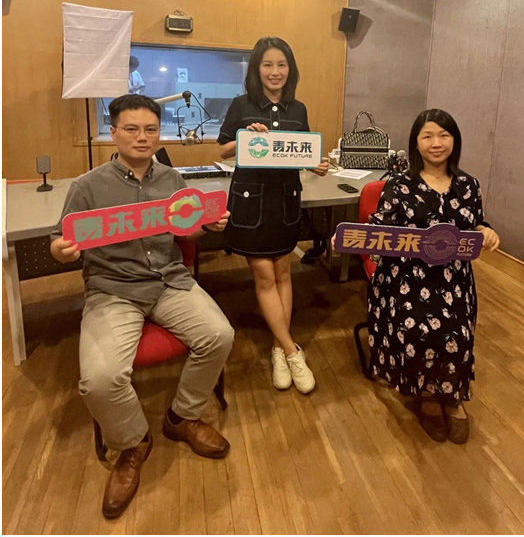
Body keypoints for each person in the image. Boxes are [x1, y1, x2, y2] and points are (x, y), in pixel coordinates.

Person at [50, 94, 234, 519]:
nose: (142, 137)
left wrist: (206, 226)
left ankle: (182, 417)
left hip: (168, 280)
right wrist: (62, 251)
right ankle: (132, 443)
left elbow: (186, 233)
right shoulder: (87, 186)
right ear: (113, 132)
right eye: (131, 129)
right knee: (99, 380)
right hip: (112, 289)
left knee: (220, 335)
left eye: (150, 129)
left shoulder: (172, 179)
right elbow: (61, 242)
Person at [364, 109, 499, 443]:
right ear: (416, 143)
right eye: (427, 136)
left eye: (444, 135)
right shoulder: (399, 184)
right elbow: (378, 228)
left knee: (458, 335)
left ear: (455, 141)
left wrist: (485, 231)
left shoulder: (468, 185)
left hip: (454, 278)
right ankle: (424, 394)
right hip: (407, 277)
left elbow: (476, 223)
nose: (436, 143)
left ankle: (451, 396)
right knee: (419, 332)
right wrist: (357, 238)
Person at [217, 37, 329, 394]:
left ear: (290, 70)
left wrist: (316, 165)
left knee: (283, 272)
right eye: (268, 64)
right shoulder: (242, 104)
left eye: (282, 64)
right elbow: (223, 150)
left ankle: (279, 346)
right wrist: (244, 137)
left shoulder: (299, 109)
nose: (275, 71)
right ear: (257, 69)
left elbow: (301, 154)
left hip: (285, 199)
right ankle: (293, 351)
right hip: (251, 201)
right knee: (264, 275)